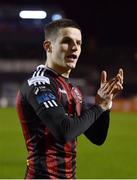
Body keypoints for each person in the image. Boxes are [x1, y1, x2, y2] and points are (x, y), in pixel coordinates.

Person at [16, 18, 123, 179]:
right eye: (67, 41)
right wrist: (98, 108)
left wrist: (105, 105)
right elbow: (64, 130)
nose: (74, 48)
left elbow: (97, 136)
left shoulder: (73, 90)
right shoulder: (38, 84)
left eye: (78, 43)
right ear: (48, 46)